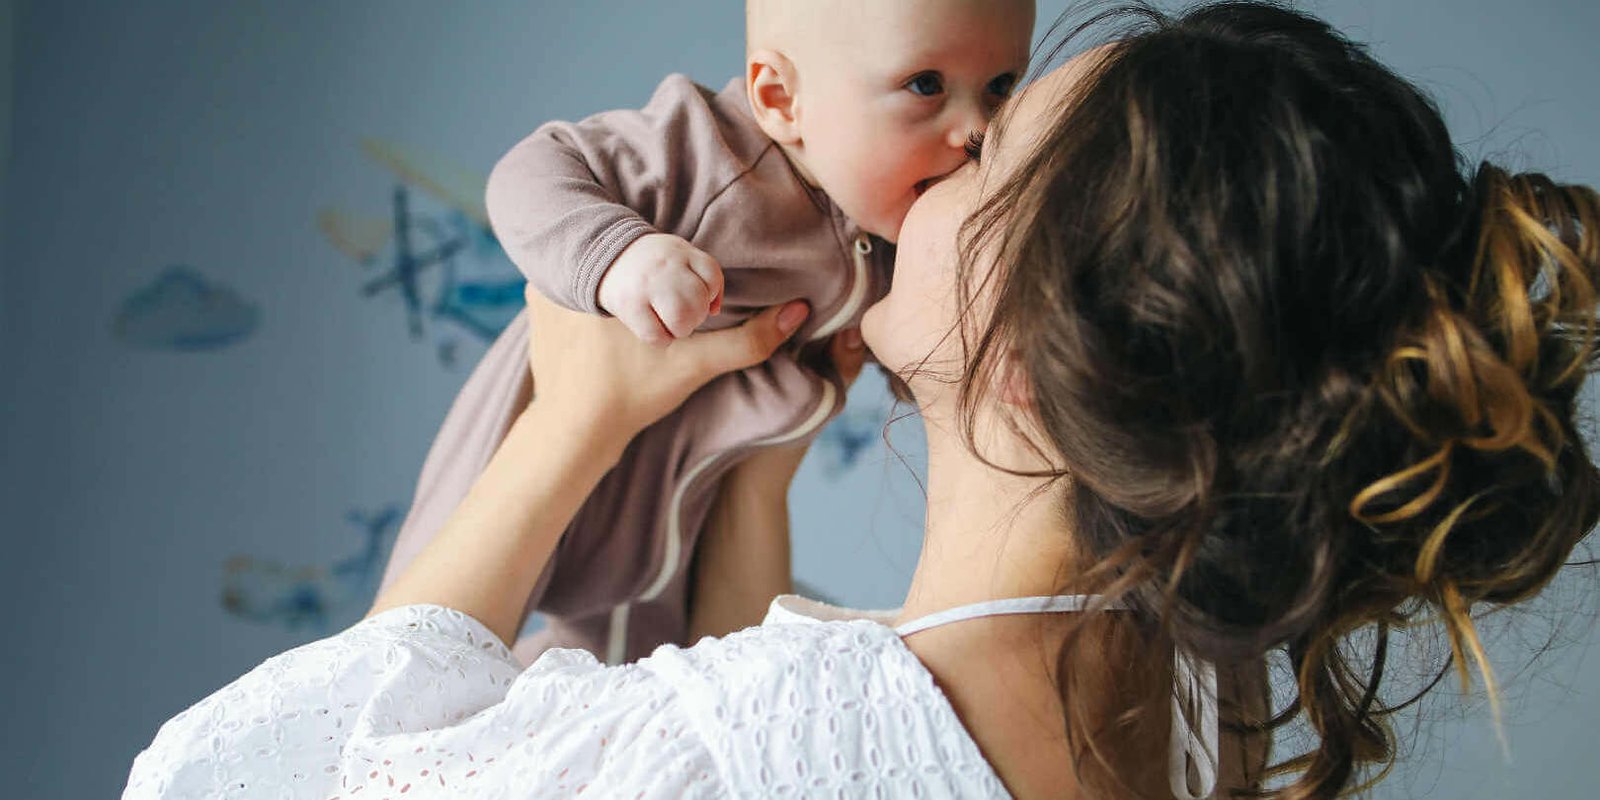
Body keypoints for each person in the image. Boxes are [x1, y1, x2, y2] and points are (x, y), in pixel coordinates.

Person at [123, 3, 1600, 798]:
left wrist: (570, 423)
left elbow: (251, 782)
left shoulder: (740, 752)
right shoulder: (1192, 721)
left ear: (1026, 361)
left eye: (995, 144)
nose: (944, 156)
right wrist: (752, 486)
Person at [377, 0, 1036, 666]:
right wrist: (617, 254)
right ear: (780, 99)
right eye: (926, 86)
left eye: (1001, 87)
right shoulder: (706, 150)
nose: (977, 129)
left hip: (682, 501)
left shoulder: (890, 223)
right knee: (428, 645)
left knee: (629, 668)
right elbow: (532, 170)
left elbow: (922, 348)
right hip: (546, 430)